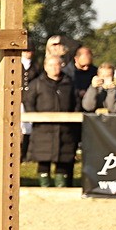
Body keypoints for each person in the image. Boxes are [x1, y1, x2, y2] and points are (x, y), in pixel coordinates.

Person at [24, 54, 80, 187]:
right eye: (51, 65)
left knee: (63, 160)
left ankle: (61, 187)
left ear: (61, 66)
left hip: (65, 129)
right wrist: (35, 117)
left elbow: (76, 102)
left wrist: (72, 118)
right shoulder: (37, 84)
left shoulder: (69, 84)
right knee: (43, 160)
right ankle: (45, 187)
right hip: (43, 129)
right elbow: (28, 102)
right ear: (45, 67)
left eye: (56, 65)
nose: (54, 68)